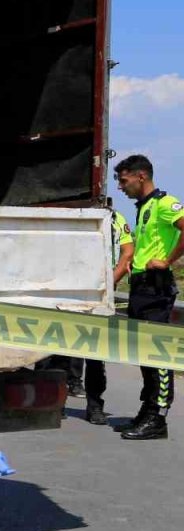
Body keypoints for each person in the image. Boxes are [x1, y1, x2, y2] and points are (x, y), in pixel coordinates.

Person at [115, 154, 183, 440]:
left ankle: (159, 417)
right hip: (141, 286)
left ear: (141, 176)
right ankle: (148, 408)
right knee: (143, 353)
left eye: (124, 179)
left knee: (158, 352)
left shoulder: (166, 204)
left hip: (157, 287)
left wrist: (168, 261)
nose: (120, 186)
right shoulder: (144, 207)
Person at [85, 197, 135, 425]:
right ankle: (56, 401)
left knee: (96, 354)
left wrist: (108, 282)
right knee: (57, 347)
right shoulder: (80, 220)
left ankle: (95, 405)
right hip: (72, 289)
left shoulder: (117, 220)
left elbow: (127, 252)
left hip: (103, 294)